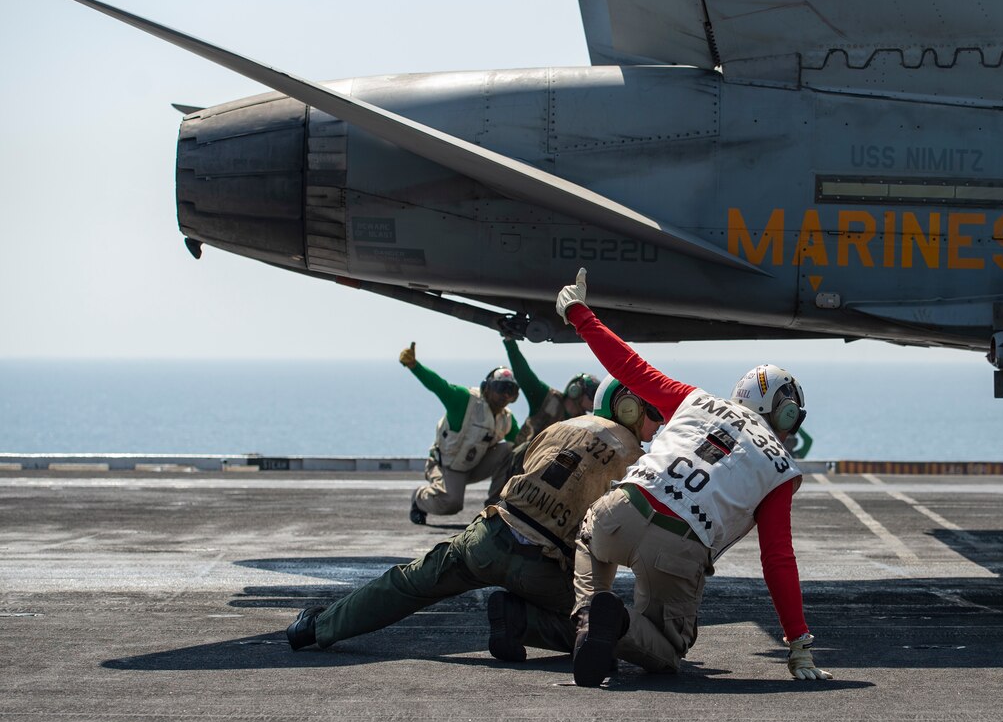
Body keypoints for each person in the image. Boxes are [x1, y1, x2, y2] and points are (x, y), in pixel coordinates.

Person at [553, 268, 833, 686]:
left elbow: (629, 368)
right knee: (665, 650)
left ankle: (590, 615)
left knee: (591, 540)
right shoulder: (779, 467)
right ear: (785, 413)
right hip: (679, 547)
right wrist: (798, 642)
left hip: (625, 508)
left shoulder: (694, 400)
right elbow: (777, 560)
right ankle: (614, 624)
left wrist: (579, 313)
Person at [284, 378, 662, 657]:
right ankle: (520, 621)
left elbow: (521, 465)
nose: (659, 422)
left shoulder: (561, 427)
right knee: (601, 631)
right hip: (544, 570)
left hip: (487, 539)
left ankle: (315, 628)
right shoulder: (639, 461)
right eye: (654, 412)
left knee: (406, 584)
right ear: (627, 407)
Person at [401, 342, 521, 525]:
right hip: (445, 465)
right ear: (487, 388)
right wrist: (414, 366)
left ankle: (494, 508)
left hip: (474, 466)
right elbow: (439, 386)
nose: (505, 396)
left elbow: (523, 446)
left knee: (511, 450)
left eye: (511, 392)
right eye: (501, 389)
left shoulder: (507, 420)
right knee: (452, 503)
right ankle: (419, 498)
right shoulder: (465, 401)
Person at [499, 336, 600, 493]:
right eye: (592, 393)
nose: (594, 399)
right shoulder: (545, 398)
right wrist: (510, 343)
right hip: (523, 461)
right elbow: (524, 375)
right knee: (526, 448)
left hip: (550, 471)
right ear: (576, 391)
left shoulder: (584, 423)